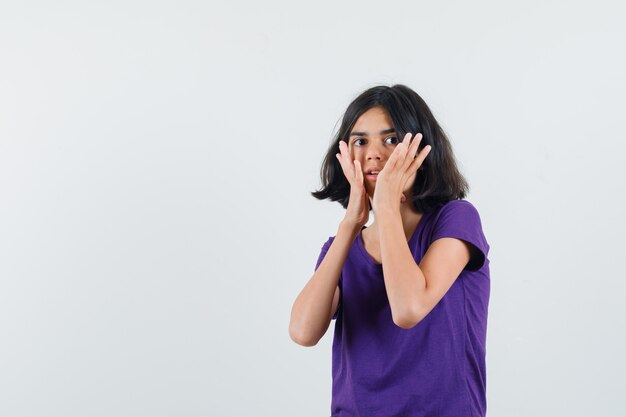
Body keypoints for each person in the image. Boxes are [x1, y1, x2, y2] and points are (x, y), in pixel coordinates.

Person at [288, 84, 490, 417]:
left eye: (392, 139)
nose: (374, 153)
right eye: (360, 141)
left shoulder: (455, 220)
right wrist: (350, 225)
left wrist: (386, 206)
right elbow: (303, 331)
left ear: (422, 149)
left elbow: (408, 308)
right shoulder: (341, 248)